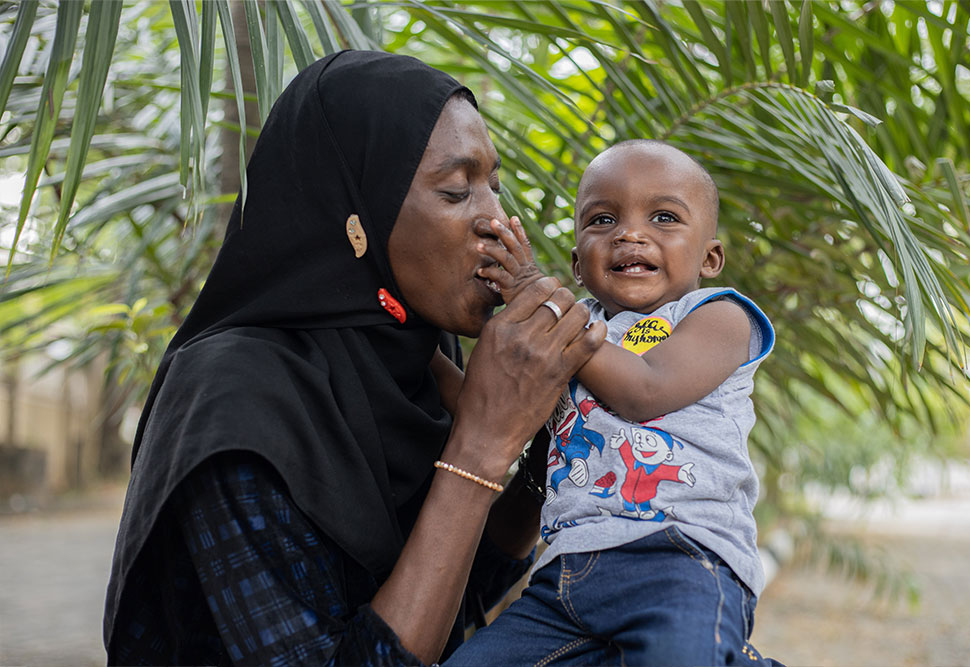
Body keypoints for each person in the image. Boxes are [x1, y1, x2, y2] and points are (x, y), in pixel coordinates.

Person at [102, 50, 604, 666]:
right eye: (455, 191)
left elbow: (455, 600)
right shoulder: (234, 409)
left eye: (494, 187)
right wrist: (478, 445)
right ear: (355, 219)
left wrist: (540, 444)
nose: (497, 222)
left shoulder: (413, 357)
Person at [445, 140, 780, 666]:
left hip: (680, 559)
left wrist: (536, 295)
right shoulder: (572, 321)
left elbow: (644, 390)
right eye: (602, 220)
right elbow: (485, 402)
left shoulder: (718, 317)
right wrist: (411, 347)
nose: (629, 233)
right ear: (579, 263)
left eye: (664, 216)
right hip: (561, 576)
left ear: (710, 257)